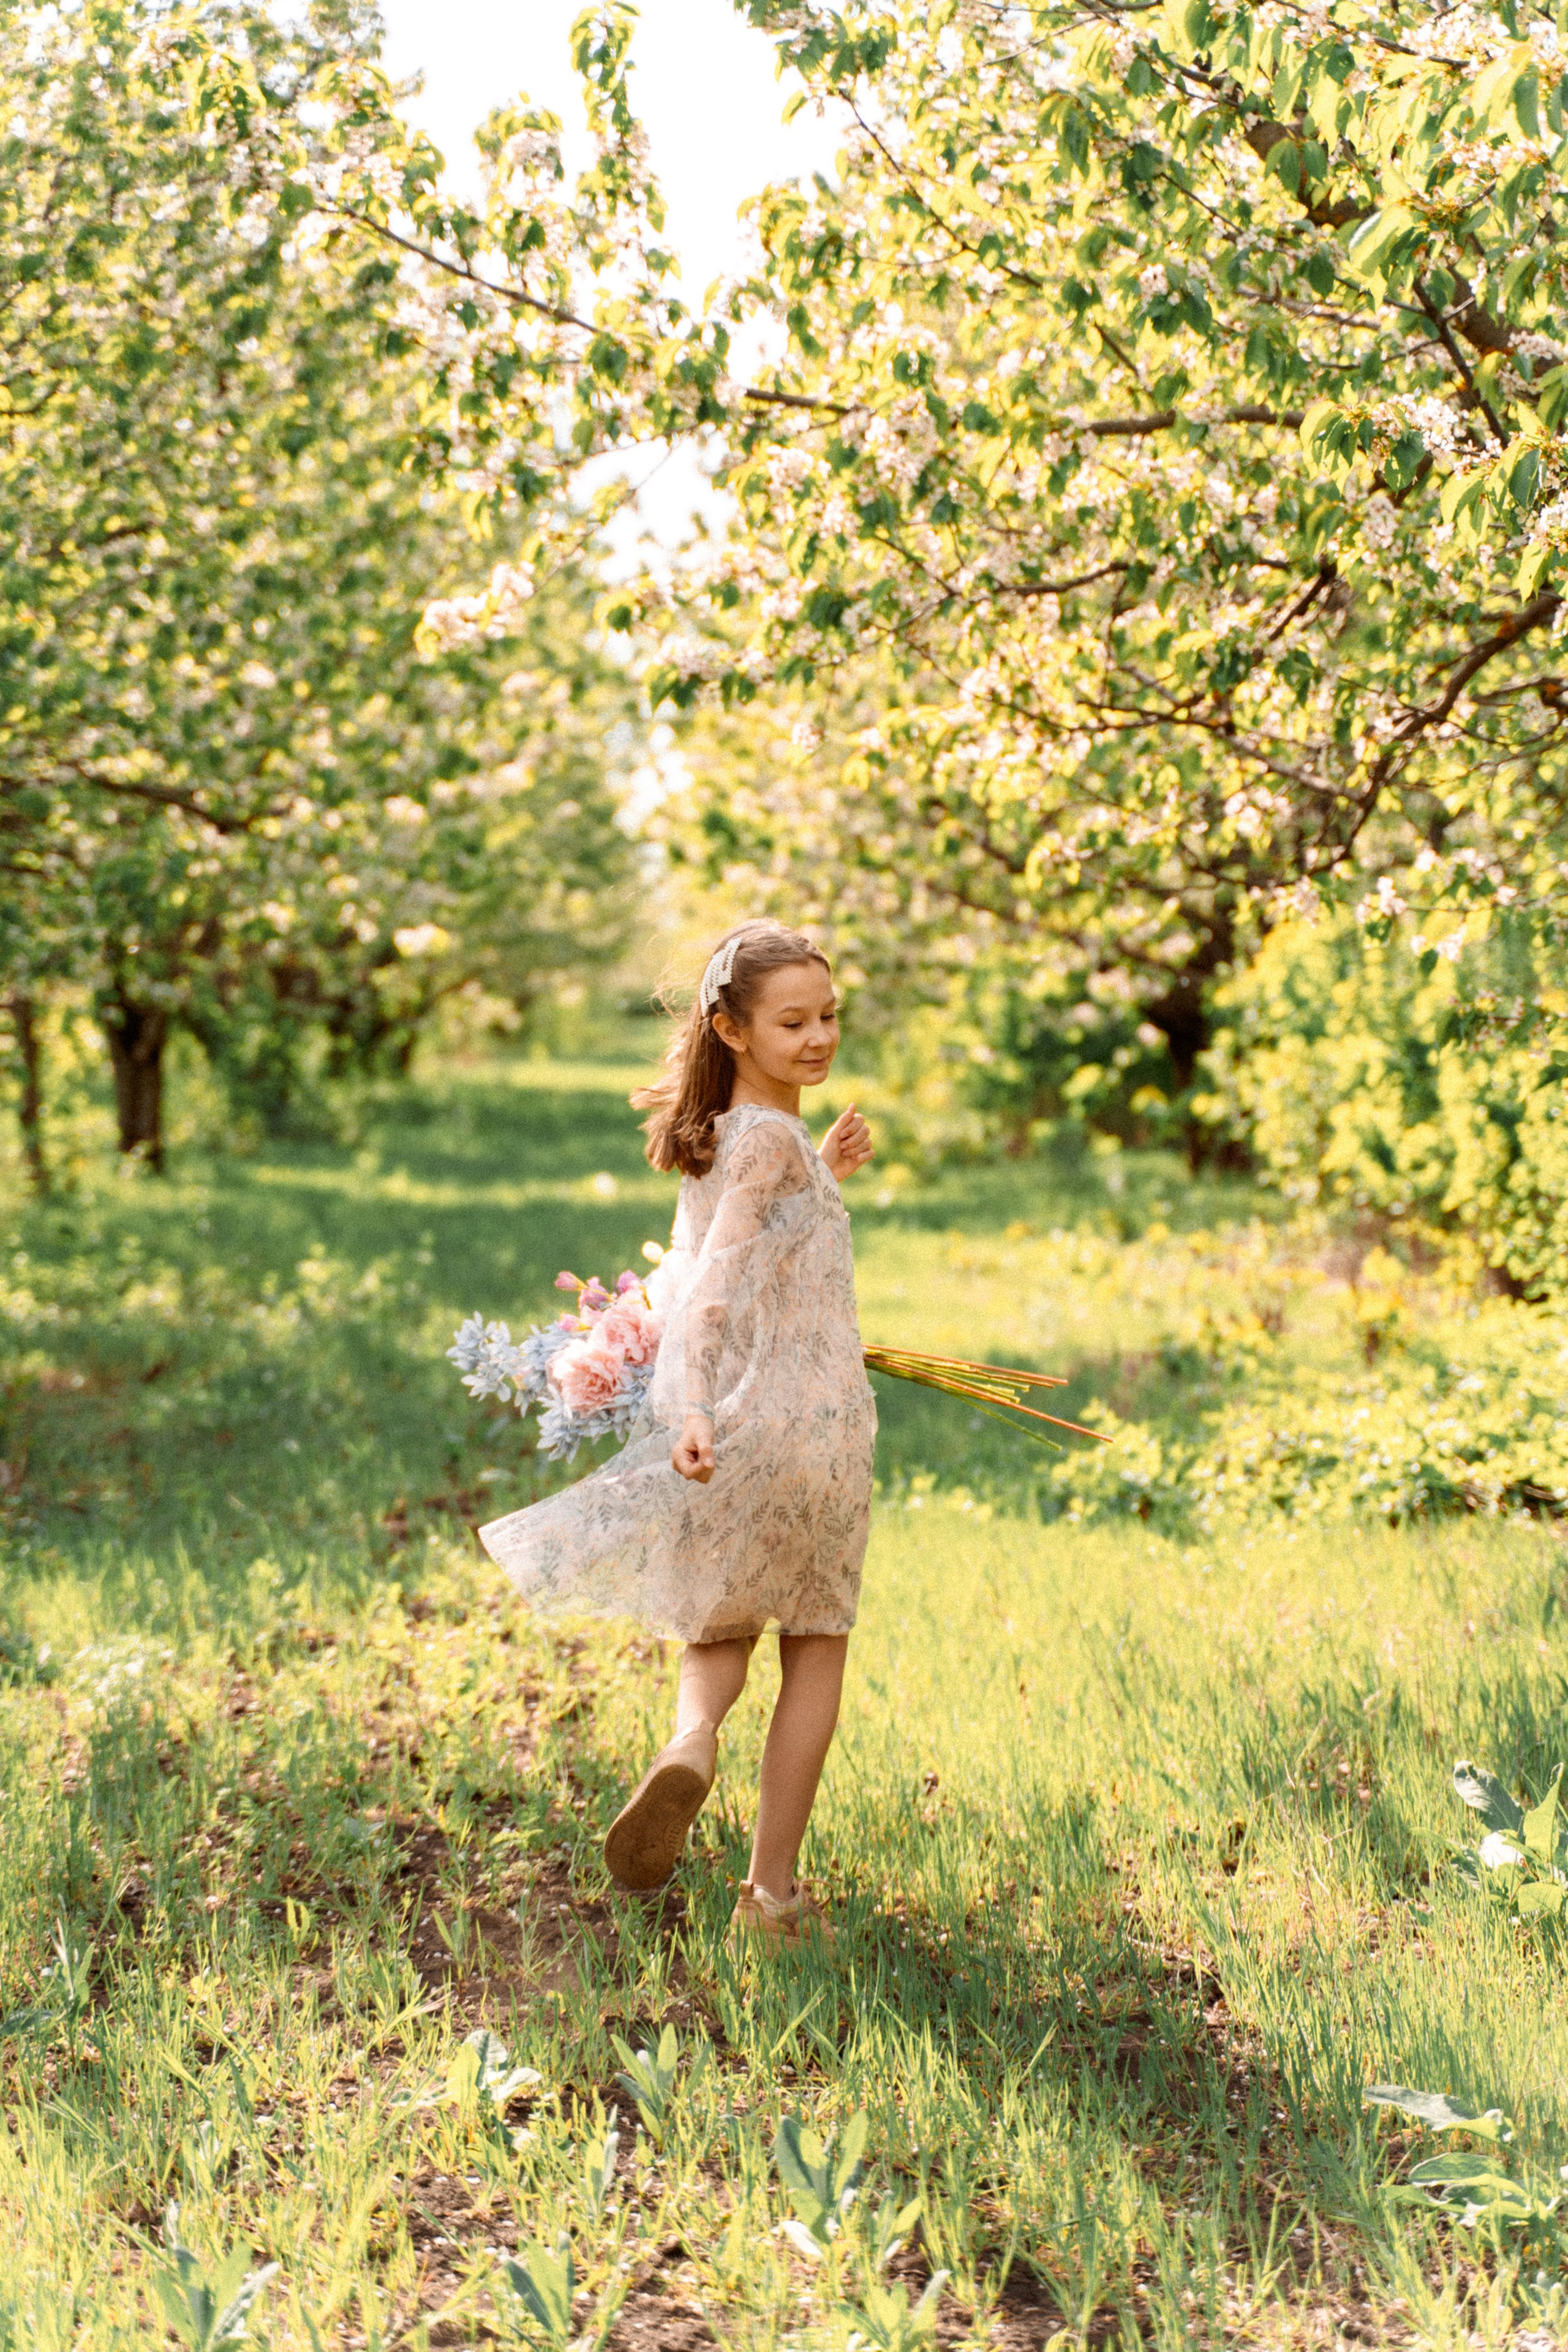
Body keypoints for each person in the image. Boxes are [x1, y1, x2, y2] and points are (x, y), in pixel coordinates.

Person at [477, 920, 876, 1950]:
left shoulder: (728, 1139)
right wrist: (689, 1402)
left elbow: (753, 1244)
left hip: (744, 1419)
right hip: (811, 1428)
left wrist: (824, 1169)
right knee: (815, 1639)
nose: (820, 1036)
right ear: (732, 1028)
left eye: (829, 1015)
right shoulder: (769, 1144)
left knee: (718, 1622)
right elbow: (705, 1296)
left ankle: (692, 1739)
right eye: (793, 1022)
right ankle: (772, 1898)